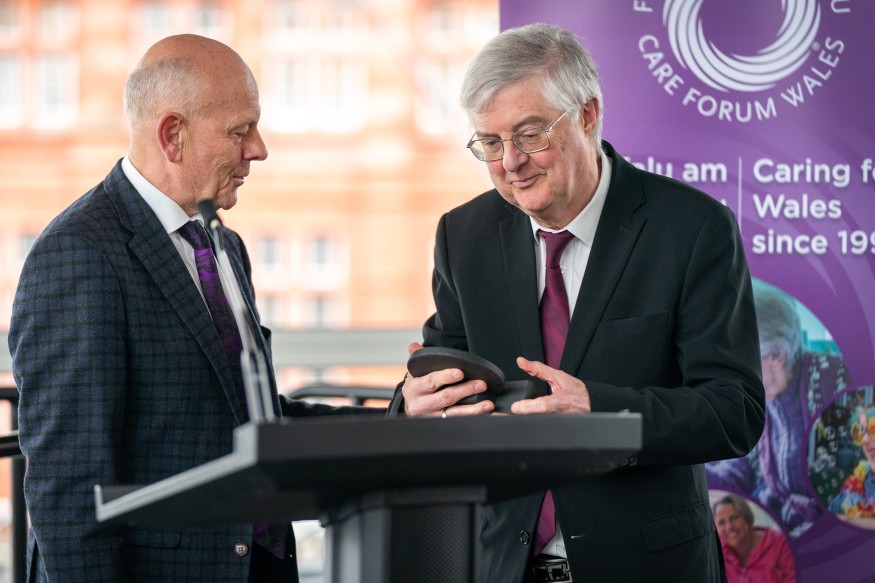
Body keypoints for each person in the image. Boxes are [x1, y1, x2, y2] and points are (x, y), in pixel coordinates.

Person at [389, 23, 765, 583]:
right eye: (489, 143)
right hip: (503, 565)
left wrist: (601, 412)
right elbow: (445, 375)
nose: (510, 162)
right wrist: (412, 406)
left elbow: (735, 410)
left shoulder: (691, 228)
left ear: (587, 115)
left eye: (529, 134)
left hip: (647, 567)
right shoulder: (463, 235)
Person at [7, 34, 376, 583]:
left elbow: (251, 421)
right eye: (239, 131)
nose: (259, 149)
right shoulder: (77, 254)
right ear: (172, 136)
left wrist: (402, 418)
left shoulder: (224, 246)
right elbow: (70, 491)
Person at [707, 284, 850, 537]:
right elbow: (740, 471)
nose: (731, 372)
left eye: (739, 360)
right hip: (783, 526)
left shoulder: (836, 382)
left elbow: (851, 487)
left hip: (831, 535)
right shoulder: (763, 396)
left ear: (777, 356)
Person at [712, 494, 796, 583]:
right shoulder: (715, 552)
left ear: (747, 518)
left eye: (734, 518)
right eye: (721, 523)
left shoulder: (780, 543)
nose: (729, 527)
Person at [827, 406, 875, 529]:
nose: (865, 439)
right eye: (860, 433)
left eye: (873, 429)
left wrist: (851, 521)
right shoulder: (851, 492)